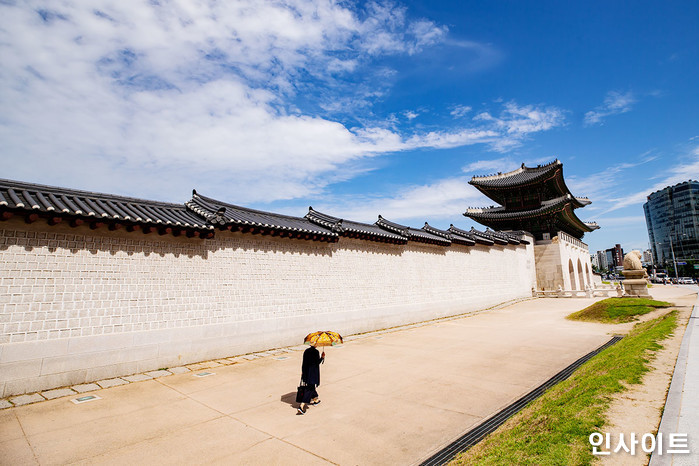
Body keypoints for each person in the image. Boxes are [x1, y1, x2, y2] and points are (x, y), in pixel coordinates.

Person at [298, 344, 324, 414]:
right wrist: (322, 357)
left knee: (311, 386)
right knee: (309, 389)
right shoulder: (316, 352)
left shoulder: (306, 351)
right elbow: (317, 363)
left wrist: (303, 372)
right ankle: (302, 405)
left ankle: (316, 399)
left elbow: (304, 363)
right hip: (313, 373)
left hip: (306, 372)